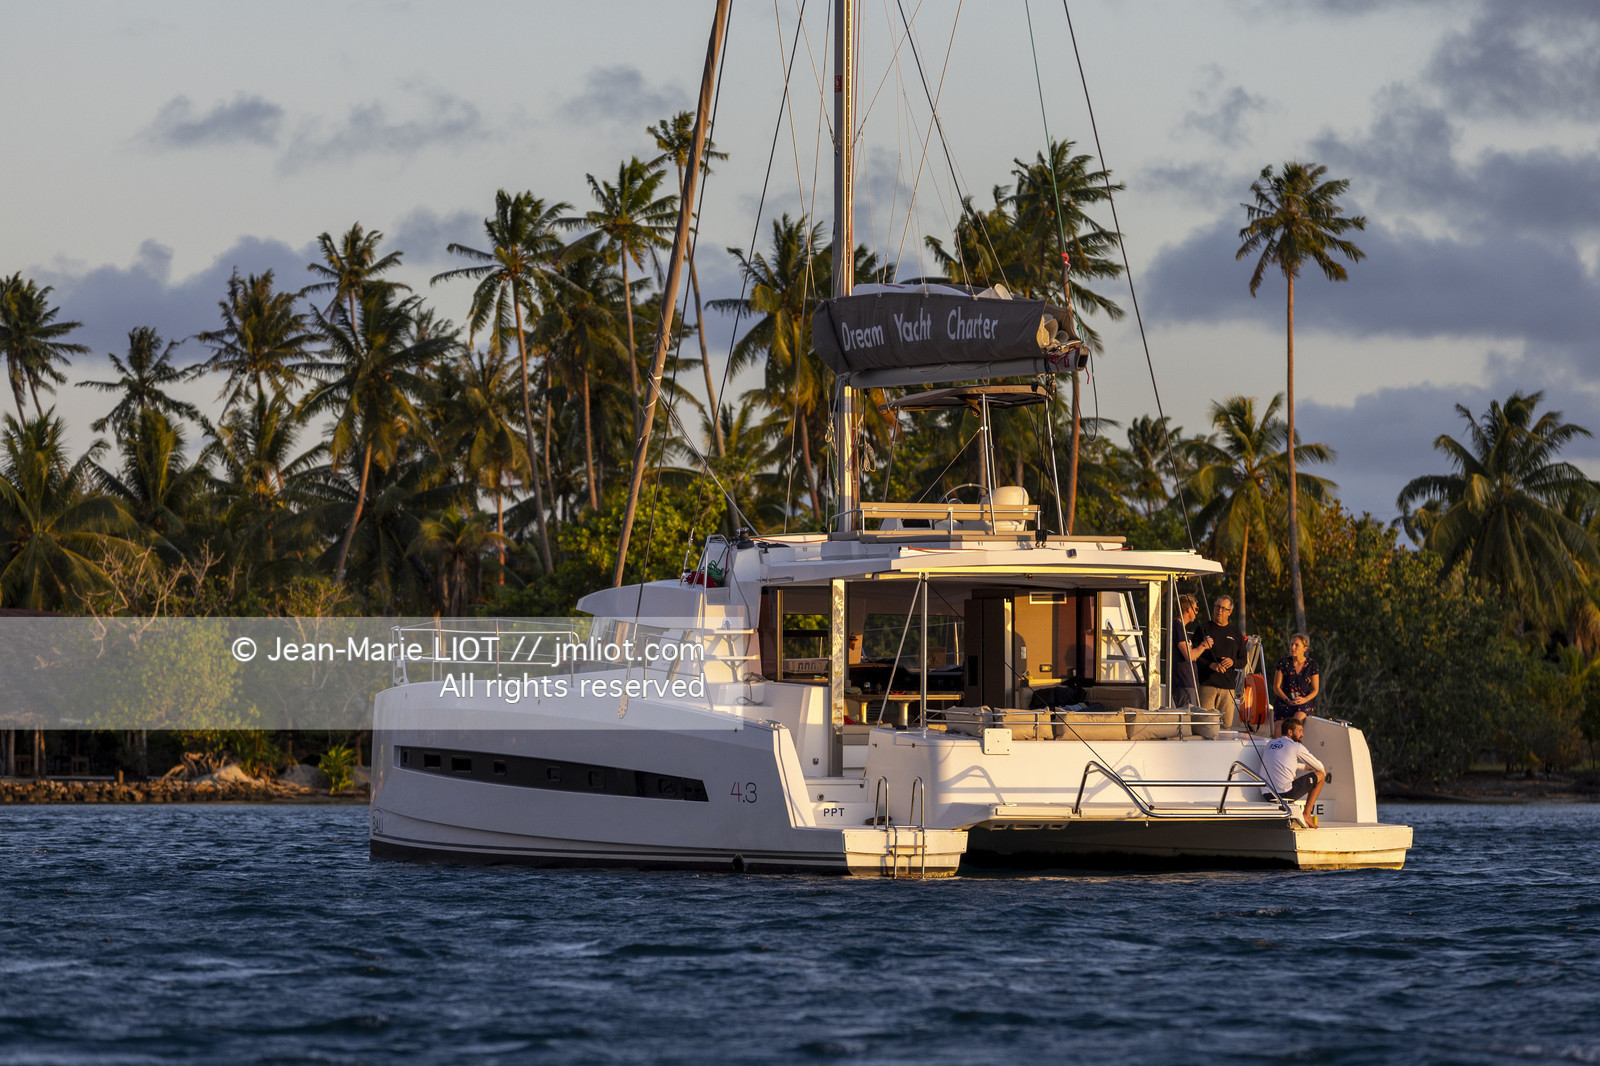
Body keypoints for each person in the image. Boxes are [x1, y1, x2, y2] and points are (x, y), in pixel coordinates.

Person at [1261, 717, 1326, 827]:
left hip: (1267, 795)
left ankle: (1292, 807)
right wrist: (1316, 769)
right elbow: (1320, 767)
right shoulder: (1295, 746)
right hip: (1284, 794)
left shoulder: (1270, 744)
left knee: (1289, 776)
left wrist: (1304, 767)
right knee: (1321, 775)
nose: (1302, 734)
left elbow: (1286, 764)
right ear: (1290, 732)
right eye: (1300, 730)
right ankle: (1307, 814)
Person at [1195, 596, 1245, 730]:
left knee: (1226, 726)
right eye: (1217, 607)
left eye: (1223, 608)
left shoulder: (1235, 633)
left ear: (1230, 612)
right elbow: (1194, 656)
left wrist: (1232, 662)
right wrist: (1210, 665)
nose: (1219, 611)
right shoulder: (1203, 628)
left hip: (1227, 687)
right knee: (1204, 726)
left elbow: (1243, 660)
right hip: (1207, 684)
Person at [1170, 594, 1211, 707]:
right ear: (1189, 609)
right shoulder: (1178, 627)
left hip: (1187, 682)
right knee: (1188, 719)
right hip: (1183, 683)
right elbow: (1189, 656)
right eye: (1196, 609)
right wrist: (1203, 645)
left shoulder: (1180, 627)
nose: (1197, 612)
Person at [1272, 632, 1320, 725]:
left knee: (1294, 724)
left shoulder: (1312, 665)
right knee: (1278, 729)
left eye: (1296, 645)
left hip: (1302, 702)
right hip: (1285, 700)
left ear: (1305, 649)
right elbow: (1276, 687)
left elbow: (1315, 689)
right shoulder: (1283, 662)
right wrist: (1287, 700)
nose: (1293, 647)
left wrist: (1305, 699)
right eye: (1292, 644)